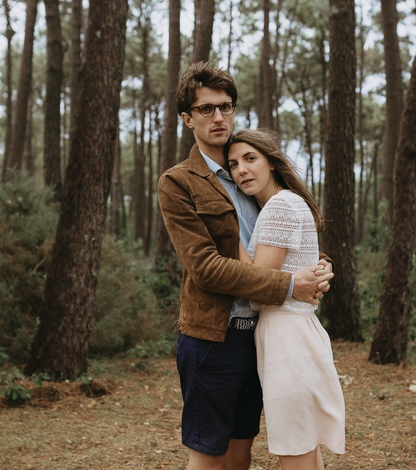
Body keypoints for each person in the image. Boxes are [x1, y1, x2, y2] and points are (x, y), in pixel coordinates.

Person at [157, 62, 334, 470]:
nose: (218, 117)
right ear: (188, 118)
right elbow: (206, 269)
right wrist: (291, 285)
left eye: (225, 107)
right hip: (211, 339)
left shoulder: (247, 173)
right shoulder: (179, 182)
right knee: (208, 456)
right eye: (205, 109)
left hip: (258, 337)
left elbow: (281, 238)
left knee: (241, 453)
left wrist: (320, 265)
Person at [227, 128, 345, 470]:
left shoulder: (280, 205)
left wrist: (228, 232)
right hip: (287, 332)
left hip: (287, 337)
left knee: (295, 447)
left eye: (251, 159)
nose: (241, 170)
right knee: (303, 446)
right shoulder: (281, 204)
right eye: (234, 164)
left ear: (273, 164)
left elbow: (258, 281)